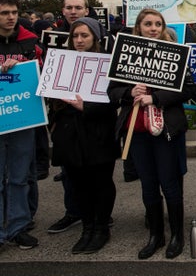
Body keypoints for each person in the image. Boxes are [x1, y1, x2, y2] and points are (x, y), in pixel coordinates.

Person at [107, 8, 194, 259]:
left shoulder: (175, 54)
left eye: (158, 23)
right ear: (139, 27)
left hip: (166, 130)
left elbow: (187, 90)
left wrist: (154, 97)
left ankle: (177, 235)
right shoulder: (125, 54)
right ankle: (156, 235)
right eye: (148, 24)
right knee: (148, 186)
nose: (154, 28)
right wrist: (129, 93)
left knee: (170, 184)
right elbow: (111, 91)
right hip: (137, 131)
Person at [49, 17, 119, 254]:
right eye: (75, 36)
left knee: (100, 183)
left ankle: (101, 228)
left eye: (84, 36)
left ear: (95, 38)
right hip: (70, 136)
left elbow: (114, 99)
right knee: (78, 184)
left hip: (98, 133)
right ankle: (87, 227)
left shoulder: (107, 64)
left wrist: (86, 107)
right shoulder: (61, 63)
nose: (79, 40)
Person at [0, 0, 43, 250]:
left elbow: (43, 70)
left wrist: (25, 65)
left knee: (19, 177)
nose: (11, 17)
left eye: (14, 12)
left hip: (23, 120)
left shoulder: (30, 42)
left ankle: (18, 226)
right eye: (5, 13)